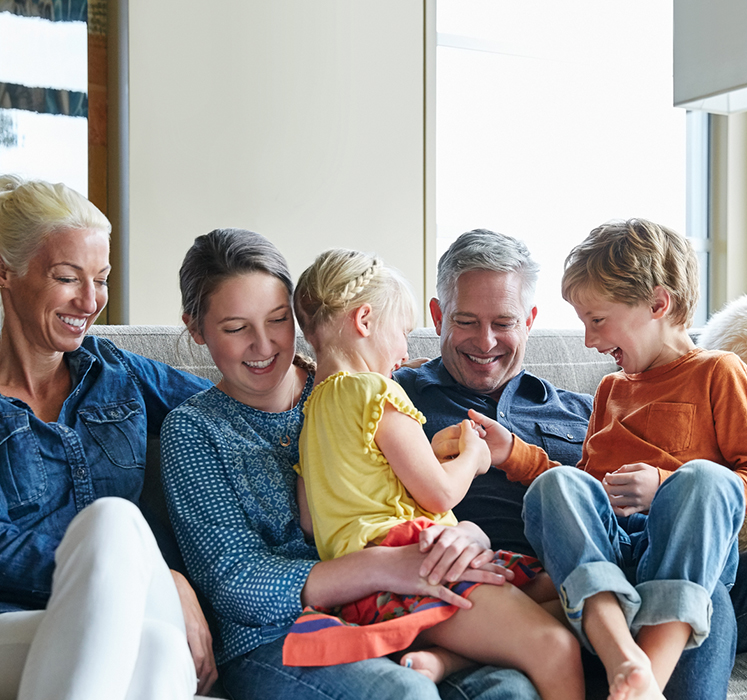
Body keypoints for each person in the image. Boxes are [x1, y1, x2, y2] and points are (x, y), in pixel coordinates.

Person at [394, 227, 747, 700]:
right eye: (465, 321)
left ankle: (643, 675)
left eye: (503, 322)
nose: (486, 341)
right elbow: (575, 488)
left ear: (529, 321)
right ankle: (634, 665)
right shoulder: (397, 399)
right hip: (562, 580)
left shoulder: (594, 398)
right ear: (437, 317)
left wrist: (724, 441)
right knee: (576, 499)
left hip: (680, 561)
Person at [160, 228, 545, 700]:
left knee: (510, 689)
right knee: (406, 695)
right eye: (236, 328)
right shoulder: (195, 430)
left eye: (278, 320)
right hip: (275, 635)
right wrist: (385, 567)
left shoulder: (358, 386)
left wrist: (464, 536)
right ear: (197, 329)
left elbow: (415, 500)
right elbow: (235, 583)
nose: (263, 346)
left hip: (399, 607)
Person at [284, 248, 581, 697]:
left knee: (561, 595)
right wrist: (474, 459)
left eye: (503, 322)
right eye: (403, 333)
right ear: (364, 320)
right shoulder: (378, 391)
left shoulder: (311, 415)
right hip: (423, 561)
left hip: (365, 591)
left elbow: (313, 518)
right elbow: (441, 495)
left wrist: (433, 451)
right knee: (557, 646)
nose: (405, 351)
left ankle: (443, 659)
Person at [509, 219, 747, 699]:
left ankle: (647, 680)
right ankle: (623, 658)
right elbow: (585, 490)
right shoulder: (610, 388)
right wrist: (513, 455)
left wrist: (664, 485)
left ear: (659, 304)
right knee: (556, 489)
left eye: (598, 320)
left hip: (685, 553)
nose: (591, 341)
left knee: (703, 479)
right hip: (612, 557)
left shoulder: (718, 371)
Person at [0, 175, 216, 699]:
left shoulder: (115, 371)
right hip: (15, 619)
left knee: (160, 646)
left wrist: (367, 383)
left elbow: (234, 408)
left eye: (101, 278)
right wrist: (154, 575)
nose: (90, 300)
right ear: (6, 273)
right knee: (118, 530)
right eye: (68, 277)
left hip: (135, 604)